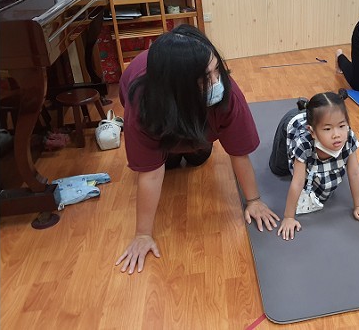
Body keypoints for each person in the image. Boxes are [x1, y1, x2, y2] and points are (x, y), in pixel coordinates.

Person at [115, 24, 280, 274]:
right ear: (178, 86)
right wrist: (142, 234)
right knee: (168, 164)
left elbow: (239, 153)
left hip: (196, 125)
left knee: (197, 159)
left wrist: (254, 200)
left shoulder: (227, 94)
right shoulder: (142, 104)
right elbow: (150, 173)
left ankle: (193, 145)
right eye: (205, 78)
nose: (216, 82)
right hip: (165, 118)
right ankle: (173, 151)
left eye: (217, 70)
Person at [269, 89, 359, 240]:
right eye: (328, 129)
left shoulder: (348, 138)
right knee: (278, 169)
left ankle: (318, 119)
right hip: (291, 121)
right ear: (312, 132)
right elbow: (297, 182)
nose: (336, 134)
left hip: (316, 121)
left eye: (342, 126)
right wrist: (289, 217)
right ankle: (304, 112)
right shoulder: (304, 143)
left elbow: (354, 173)